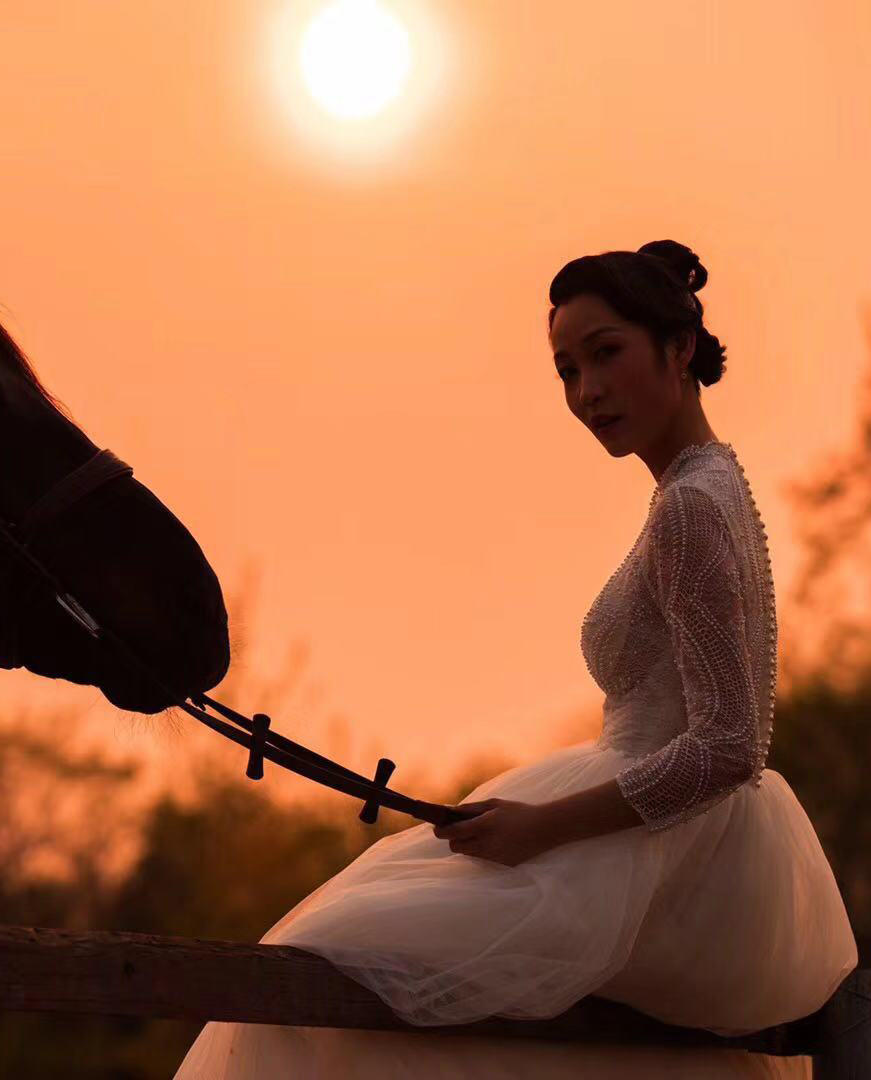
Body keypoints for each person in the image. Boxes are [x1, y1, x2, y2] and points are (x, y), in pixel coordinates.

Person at [173, 241, 858, 1078]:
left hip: (667, 850)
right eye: (566, 371)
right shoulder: (705, 489)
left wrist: (541, 829)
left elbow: (727, 747)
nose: (586, 392)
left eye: (605, 354)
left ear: (677, 350)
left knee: (331, 951)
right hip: (660, 831)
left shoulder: (691, 507)